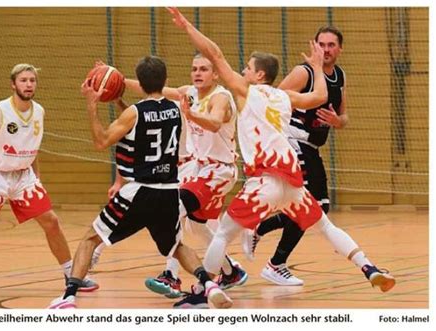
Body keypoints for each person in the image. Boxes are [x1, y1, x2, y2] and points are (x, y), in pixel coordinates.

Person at [167, 7, 395, 307]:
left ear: (259, 74)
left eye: (247, 68)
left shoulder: (248, 92)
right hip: (294, 183)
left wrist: (186, 27)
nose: (243, 71)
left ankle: (204, 289)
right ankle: (369, 267)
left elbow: (215, 54)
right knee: (326, 227)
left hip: (264, 182)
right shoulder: (284, 96)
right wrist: (314, 66)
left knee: (222, 233)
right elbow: (318, 98)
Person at [48, 56, 232, 309]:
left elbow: (102, 141)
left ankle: (68, 298)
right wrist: (121, 101)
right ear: (165, 80)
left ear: (142, 84)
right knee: (176, 246)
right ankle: (208, 284)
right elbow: (146, 122)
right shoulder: (178, 110)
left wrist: (92, 105)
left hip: (138, 192)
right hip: (169, 191)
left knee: (91, 239)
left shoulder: (134, 114)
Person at [94, 54, 247, 299]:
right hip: (198, 168)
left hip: (218, 171)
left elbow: (216, 123)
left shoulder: (221, 97)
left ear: (216, 74)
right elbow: (155, 89)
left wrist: (191, 114)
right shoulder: (189, 92)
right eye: (194, 68)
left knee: (172, 210)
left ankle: (171, 276)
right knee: (197, 227)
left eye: (204, 69)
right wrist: (117, 80)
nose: (198, 73)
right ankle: (230, 272)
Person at [0, 63, 98, 292]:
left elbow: (32, 146)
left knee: (52, 221)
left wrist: (37, 177)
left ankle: (71, 275)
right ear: (13, 84)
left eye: (32, 80)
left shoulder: (39, 111)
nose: (29, 84)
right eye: (23, 80)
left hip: (23, 177)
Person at [241, 26, 349, 286]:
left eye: (331, 45)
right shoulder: (304, 72)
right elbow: (274, 99)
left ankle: (260, 230)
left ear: (339, 49)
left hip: (312, 147)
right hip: (294, 142)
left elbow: (345, 117)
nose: (325, 49)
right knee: (311, 207)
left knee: (319, 207)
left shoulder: (340, 76)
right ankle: (276, 264)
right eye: (321, 44)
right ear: (314, 46)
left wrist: (337, 120)